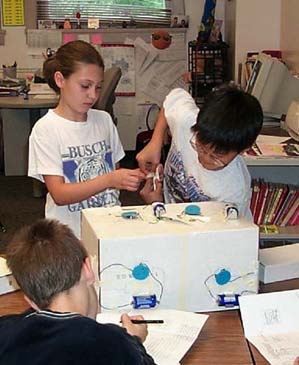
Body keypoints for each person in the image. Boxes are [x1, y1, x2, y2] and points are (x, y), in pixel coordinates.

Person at [28, 40, 145, 237]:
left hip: (108, 226)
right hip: (69, 235)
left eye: (98, 87)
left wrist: (137, 177)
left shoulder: (104, 120)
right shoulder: (46, 129)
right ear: (60, 80)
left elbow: (113, 174)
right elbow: (59, 194)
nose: (93, 95)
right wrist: (110, 180)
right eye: (85, 86)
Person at [0, 219, 156, 365]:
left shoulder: (6, 332)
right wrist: (134, 340)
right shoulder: (113, 343)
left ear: (29, 300)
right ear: (87, 268)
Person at [137, 85, 263, 218]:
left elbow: (214, 236)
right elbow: (172, 100)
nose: (205, 159)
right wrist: (155, 142)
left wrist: (157, 204)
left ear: (243, 150)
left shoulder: (234, 191)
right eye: (200, 147)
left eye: (216, 157)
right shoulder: (187, 123)